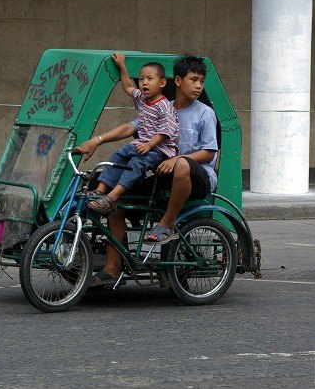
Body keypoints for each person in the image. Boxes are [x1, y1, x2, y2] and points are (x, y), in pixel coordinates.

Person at [75, 54, 218, 286]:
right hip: (164, 176)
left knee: (181, 164)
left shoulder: (204, 113)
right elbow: (130, 128)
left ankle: (167, 223)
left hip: (197, 176)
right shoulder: (163, 107)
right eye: (194, 80)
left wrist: (177, 158)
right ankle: (112, 269)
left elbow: (209, 152)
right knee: (116, 201)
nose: (199, 86)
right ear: (178, 81)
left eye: (201, 80)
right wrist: (97, 140)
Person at [86, 52, 179, 215]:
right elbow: (129, 86)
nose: (144, 83)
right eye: (142, 79)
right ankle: (100, 190)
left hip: (159, 149)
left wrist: (150, 144)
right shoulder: (142, 98)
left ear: (162, 82)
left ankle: (111, 198)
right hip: (142, 143)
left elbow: (166, 131)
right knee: (118, 155)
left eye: (150, 79)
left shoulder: (164, 106)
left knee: (136, 164)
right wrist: (122, 66)